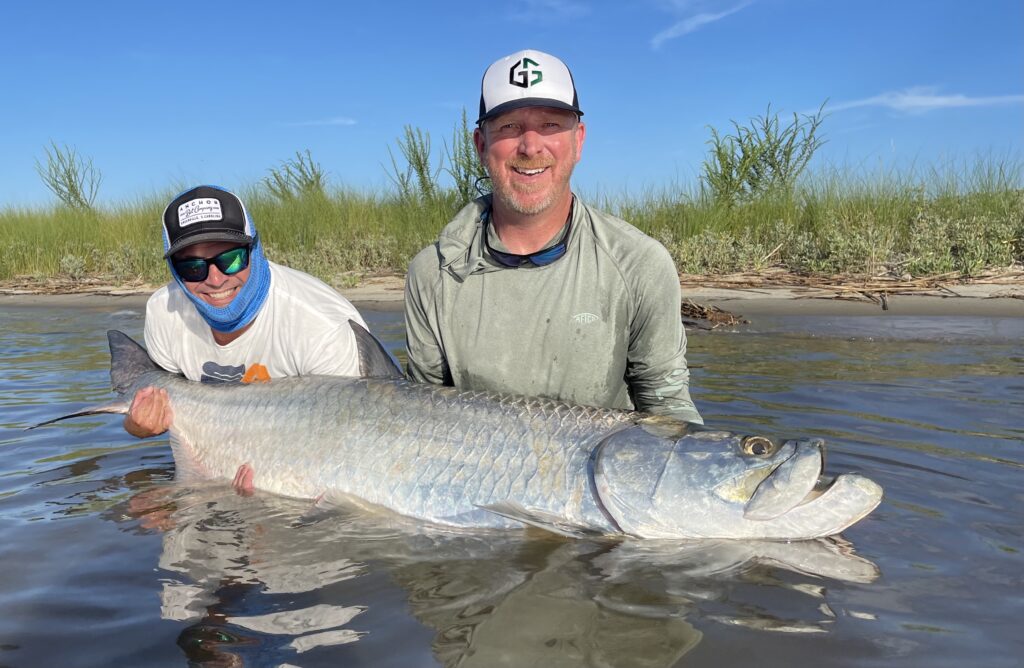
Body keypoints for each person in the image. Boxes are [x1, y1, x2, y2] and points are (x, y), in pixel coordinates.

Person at [404, 49, 702, 424]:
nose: (531, 147)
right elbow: (419, 414)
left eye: (550, 125)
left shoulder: (640, 264)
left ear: (578, 140)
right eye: (510, 127)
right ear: (481, 145)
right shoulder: (431, 274)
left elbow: (668, 407)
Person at [124, 184, 368, 440]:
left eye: (232, 260)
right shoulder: (163, 310)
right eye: (193, 267)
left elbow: (348, 438)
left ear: (255, 250)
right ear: (175, 270)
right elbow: (158, 406)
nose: (216, 280)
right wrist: (137, 427)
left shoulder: (322, 325)